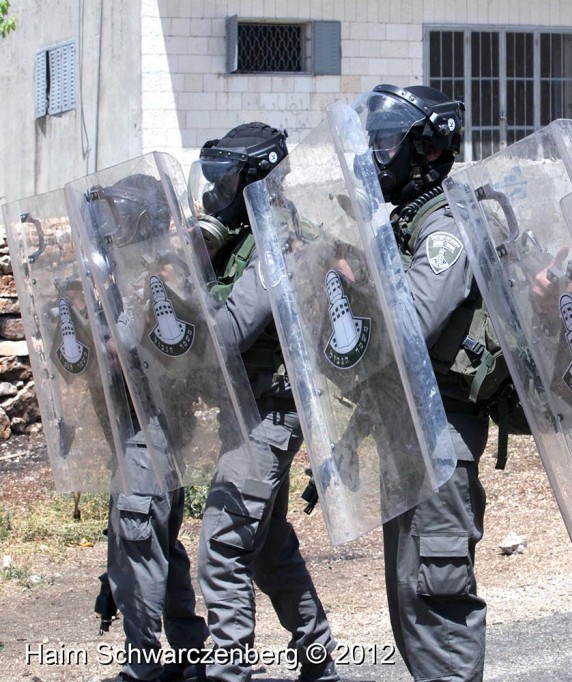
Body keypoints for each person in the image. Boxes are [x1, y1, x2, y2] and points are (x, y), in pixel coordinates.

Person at [189, 123, 340, 682]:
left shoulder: (281, 242)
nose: (215, 196)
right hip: (246, 411)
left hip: (271, 415)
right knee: (269, 549)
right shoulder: (246, 235)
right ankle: (319, 662)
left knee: (223, 549)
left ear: (256, 181)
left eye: (225, 182)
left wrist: (185, 279)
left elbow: (230, 330)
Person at [355, 83, 489, 682]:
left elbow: (408, 324)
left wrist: (350, 286)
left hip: (442, 436)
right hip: (410, 430)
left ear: (429, 149)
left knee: (438, 601)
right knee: (411, 599)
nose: (378, 156)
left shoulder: (444, 229)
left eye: (388, 143)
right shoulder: (405, 224)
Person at [94, 174, 209, 682]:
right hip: (145, 432)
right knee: (163, 545)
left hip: (155, 430)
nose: (109, 230)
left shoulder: (160, 275)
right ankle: (188, 655)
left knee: (141, 545)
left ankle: (143, 666)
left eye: (118, 220)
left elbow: (119, 351)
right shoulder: (136, 273)